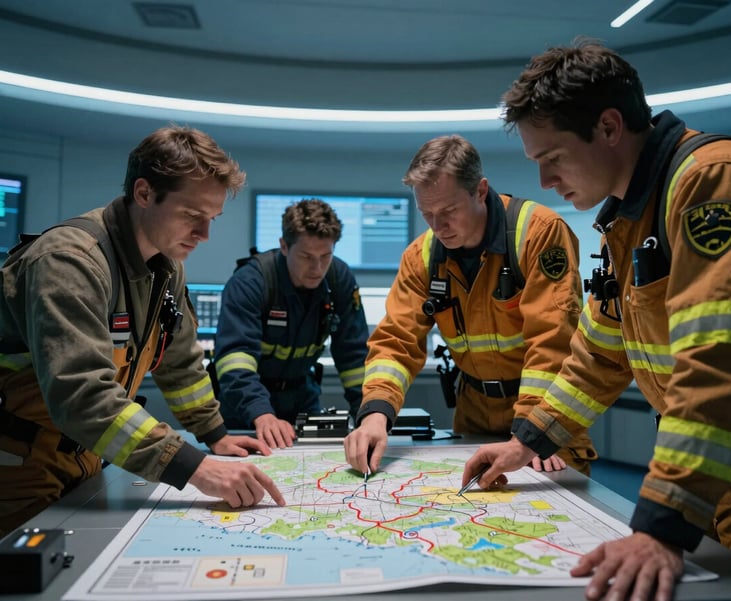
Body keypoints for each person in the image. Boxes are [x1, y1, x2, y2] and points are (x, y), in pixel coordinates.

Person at [463, 40, 731, 601]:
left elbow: (722, 359)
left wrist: (659, 525)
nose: (546, 183)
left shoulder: (712, 180)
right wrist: (526, 443)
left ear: (608, 127)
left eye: (552, 158)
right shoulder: (627, 220)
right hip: (715, 480)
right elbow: (600, 356)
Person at [0, 125, 286, 536]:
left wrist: (215, 434)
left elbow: (181, 362)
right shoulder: (69, 261)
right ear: (144, 193)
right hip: (17, 468)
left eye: (212, 219)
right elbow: (82, 397)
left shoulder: (167, 266)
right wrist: (195, 466)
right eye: (191, 216)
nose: (204, 235)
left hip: (85, 458)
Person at [345, 134, 596, 478]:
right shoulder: (421, 257)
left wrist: (530, 436)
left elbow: (551, 343)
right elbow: (396, 343)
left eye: (448, 211)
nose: (438, 226)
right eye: (427, 213)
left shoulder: (538, 233)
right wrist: (376, 414)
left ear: (480, 190)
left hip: (544, 417)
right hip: (474, 415)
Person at [214, 198, 369, 449]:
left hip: (302, 401)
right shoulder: (251, 282)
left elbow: (354, 359)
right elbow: (235, 359)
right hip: (245, 409)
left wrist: (368, 416)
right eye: (307, 256)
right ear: (284, 246)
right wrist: (261, 414)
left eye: (326, 256)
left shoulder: (339, 279)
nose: (317, 268)